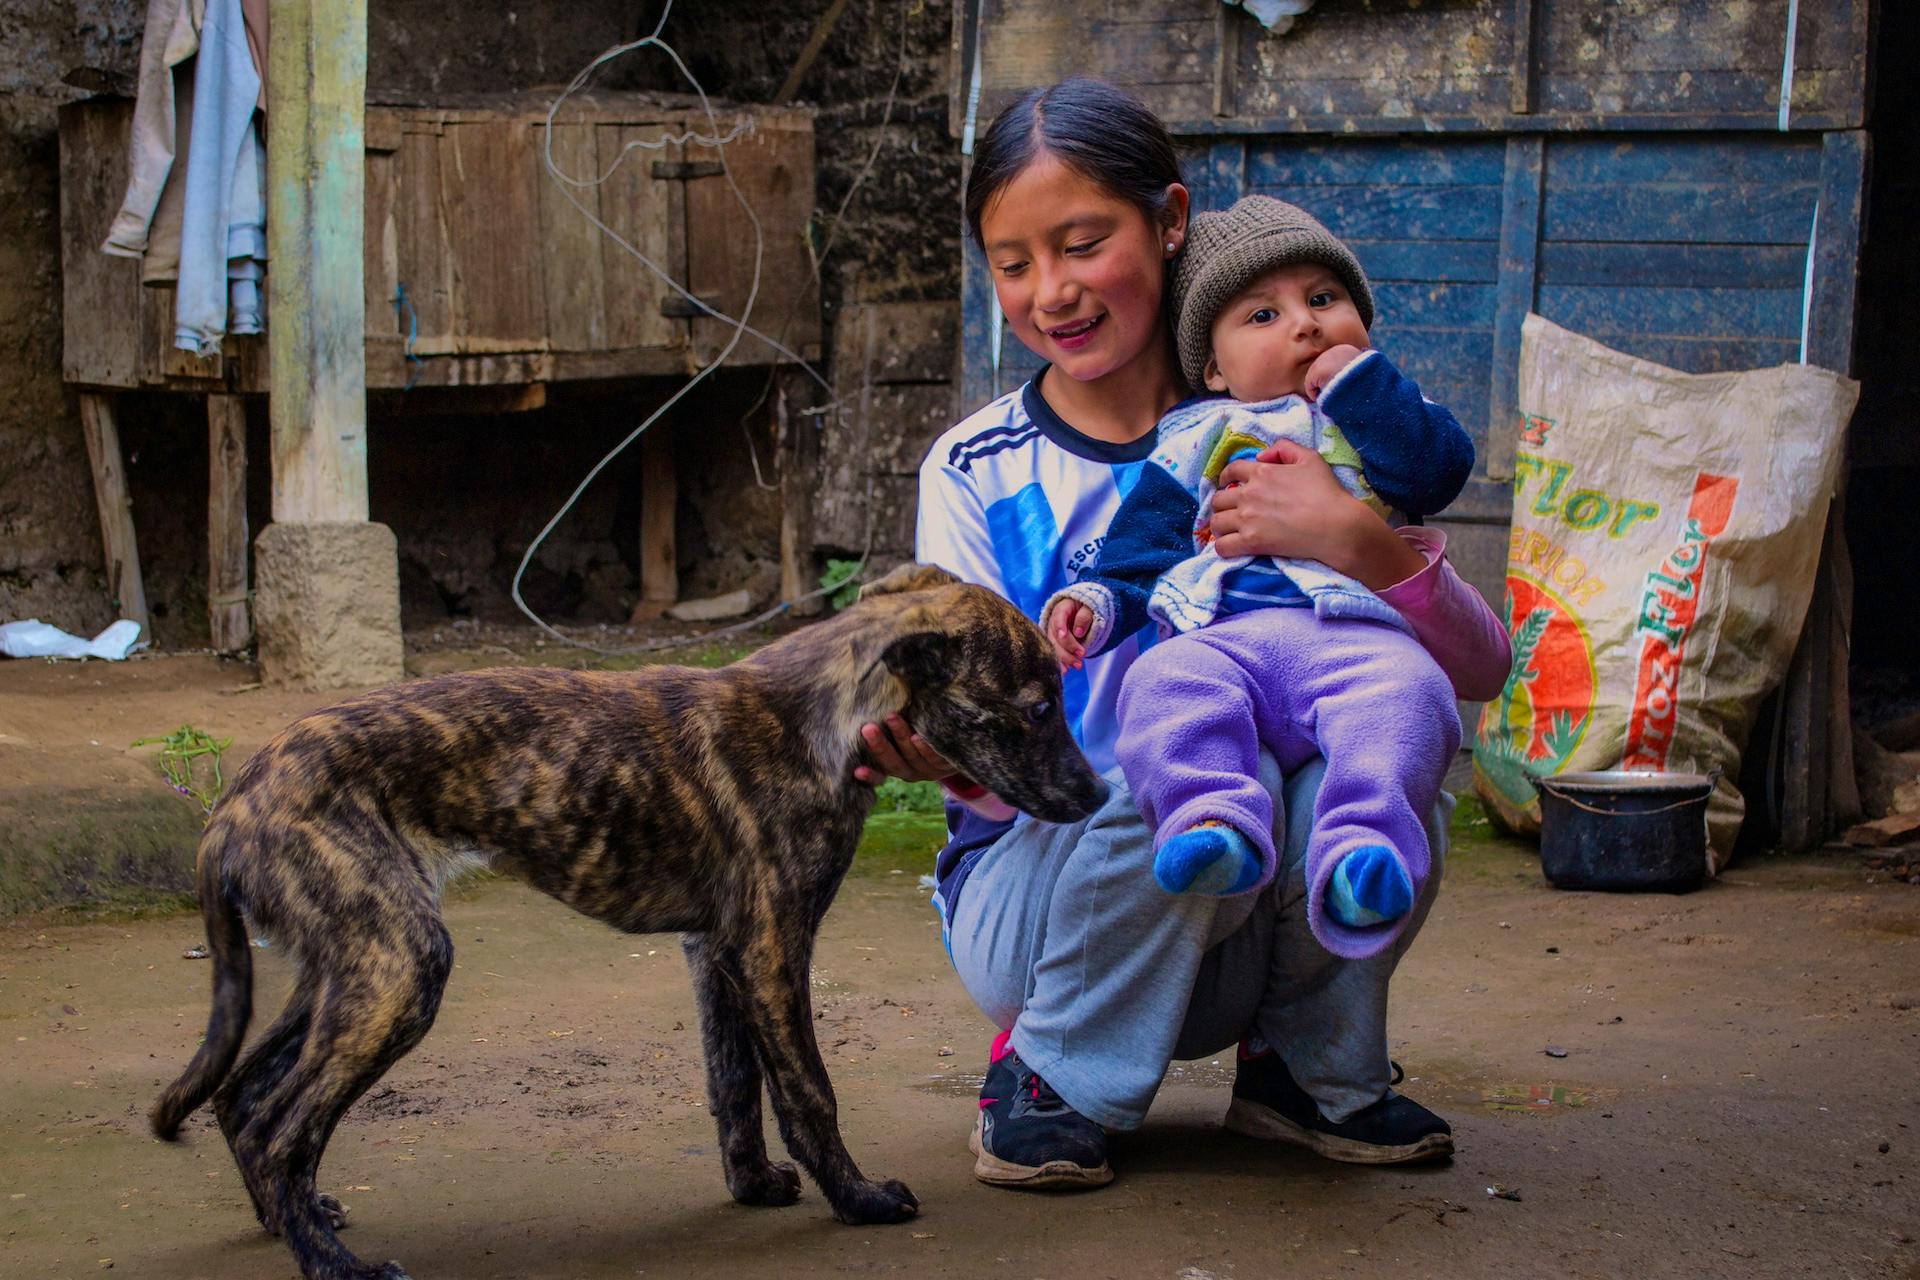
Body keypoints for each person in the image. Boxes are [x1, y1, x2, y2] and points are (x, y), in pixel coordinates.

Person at [855, 78, 1511, 1187]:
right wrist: (937, 749)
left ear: (1168, 222)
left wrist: (1355, 539)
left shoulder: (1319, 437)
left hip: (1250, 908)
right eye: (1013, 264)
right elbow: (965, 719)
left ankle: (1306, 1069)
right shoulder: (977, 470)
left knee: (1392, 747)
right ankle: (1050, 1072)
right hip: (1050, 902)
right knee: (1184, 763)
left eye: (1083, 244)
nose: (1052, 291)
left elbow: (1479, 669)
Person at [1040, 195, 1472, 970]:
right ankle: (1210, 821)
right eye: (1263, 316)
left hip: (1355, 639)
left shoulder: (1385, 414)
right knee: (1159, 685)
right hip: (1224, 639)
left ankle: (1363, 853)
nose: (1306, 325)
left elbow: (1436, 472)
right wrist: (1097, 602)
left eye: (1324, 299)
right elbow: (1145, 545)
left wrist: (1360, 387)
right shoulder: (1196, 437)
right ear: (1213, 368)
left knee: (1415, 697)